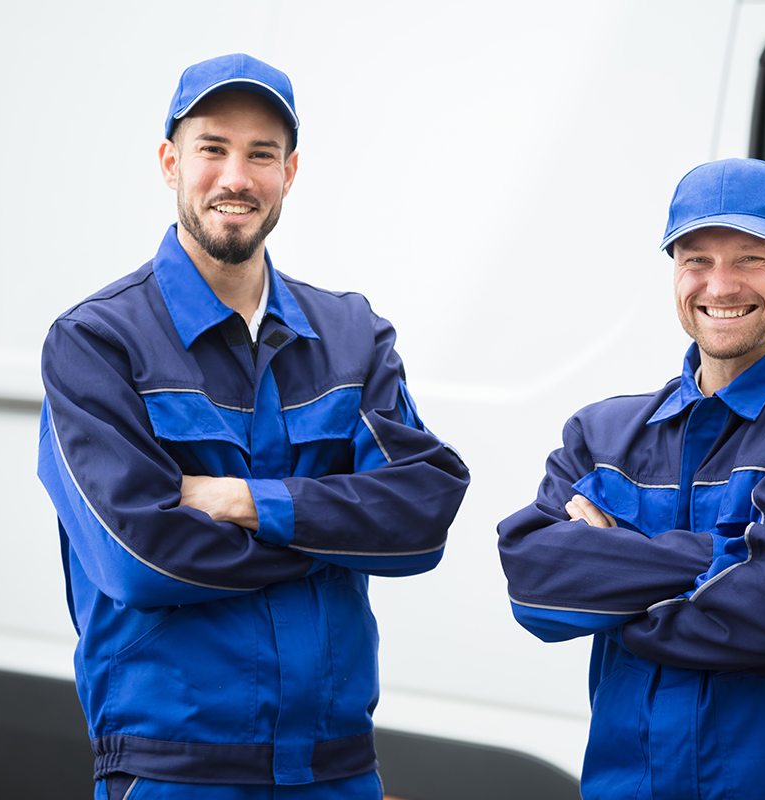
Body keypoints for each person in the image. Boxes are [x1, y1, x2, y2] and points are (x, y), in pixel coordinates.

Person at [37, 53, 469, 800]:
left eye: (261, 153)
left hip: (338, 769)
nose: (236, 176)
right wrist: (336, 538)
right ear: (170, 162)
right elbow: (143, 560)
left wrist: (247, 502)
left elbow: (423, 518)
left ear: (290, 172)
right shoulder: (97, 343)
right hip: (176, 771)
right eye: (213, 148)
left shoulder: (351, 336)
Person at [497, 158, 765, 799]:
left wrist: (618, 586)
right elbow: (535, 588)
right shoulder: (604, 436)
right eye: (696, 259)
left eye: (751, 257)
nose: (719, 285)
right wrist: (726, 559)